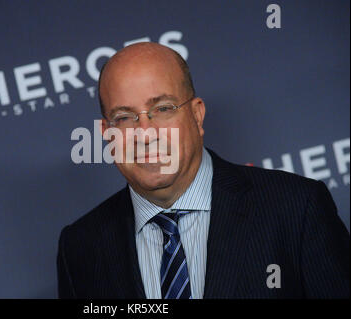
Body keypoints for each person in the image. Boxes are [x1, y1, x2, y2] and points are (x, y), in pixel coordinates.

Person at [57, 42, 349, 299]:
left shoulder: (297, 207)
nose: (145, 134)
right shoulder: (80, 247)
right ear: (107, 134)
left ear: (197, 115)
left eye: (163, 108)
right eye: (124, 118)